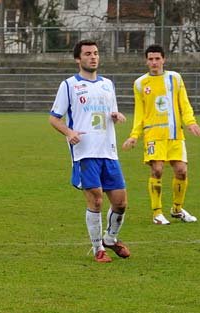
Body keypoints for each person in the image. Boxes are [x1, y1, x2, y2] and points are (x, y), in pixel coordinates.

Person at [49, 40, 131, 263]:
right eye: (87, 54)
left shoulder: (107, 84)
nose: (93, 57)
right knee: (96, 200)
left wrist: (117, 115)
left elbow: (111, 111)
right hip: (85, 152)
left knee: (121, 202)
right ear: (78, 59)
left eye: (95, 53)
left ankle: (111, 239)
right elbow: (54, 118)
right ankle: (98, 250)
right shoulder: (69, 85)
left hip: (109, 152)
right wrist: (68, 132)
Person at [121, 44, 200, 225]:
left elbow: (184, 103)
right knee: (157, 170)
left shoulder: (175, 78)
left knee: (181, 171)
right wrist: (135, 135)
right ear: (146, 61)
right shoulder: (140, 83)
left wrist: (190, 122)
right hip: (153, 134)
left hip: (174, 133)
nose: (154, 62)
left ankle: (177, 209)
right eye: (150, 59)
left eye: (157, 58)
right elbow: (140, 112)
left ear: (164, 59)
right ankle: (157, 213)